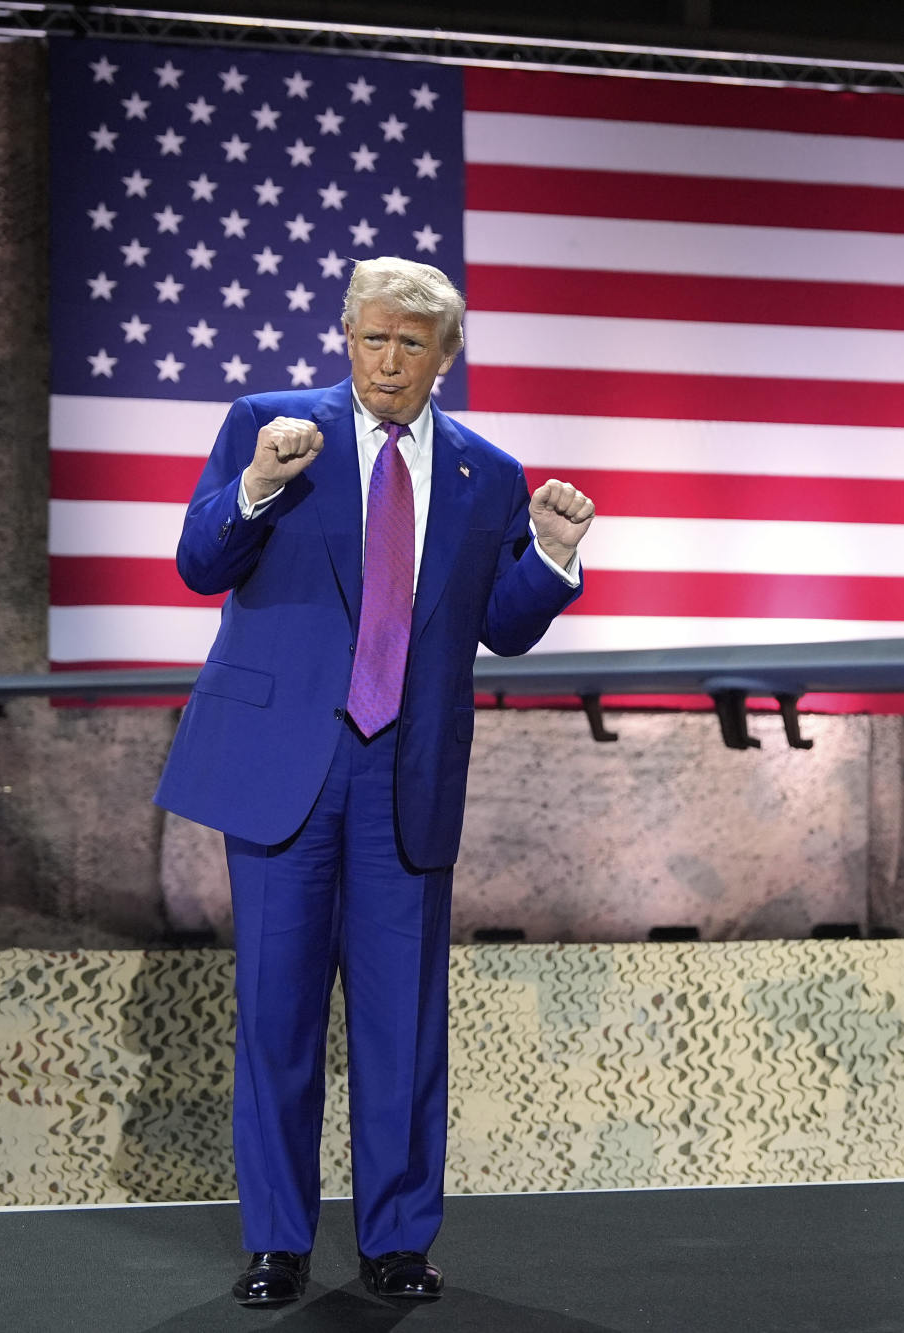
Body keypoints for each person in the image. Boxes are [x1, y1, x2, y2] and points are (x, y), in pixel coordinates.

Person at [153, 256, 592, 1308]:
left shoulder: (488, 471)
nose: (386, 360)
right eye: (370, 337)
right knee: (276, 1014)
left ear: (445, 356)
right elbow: (198, 564)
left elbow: (501, 627)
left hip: (406, 774)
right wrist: (257, 482)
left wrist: (553, 558)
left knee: (403, 1027)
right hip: (283, 776)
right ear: (344, 336)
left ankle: (397, 1240)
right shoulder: (271, 426)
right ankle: (277, 1241)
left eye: (409, 343)